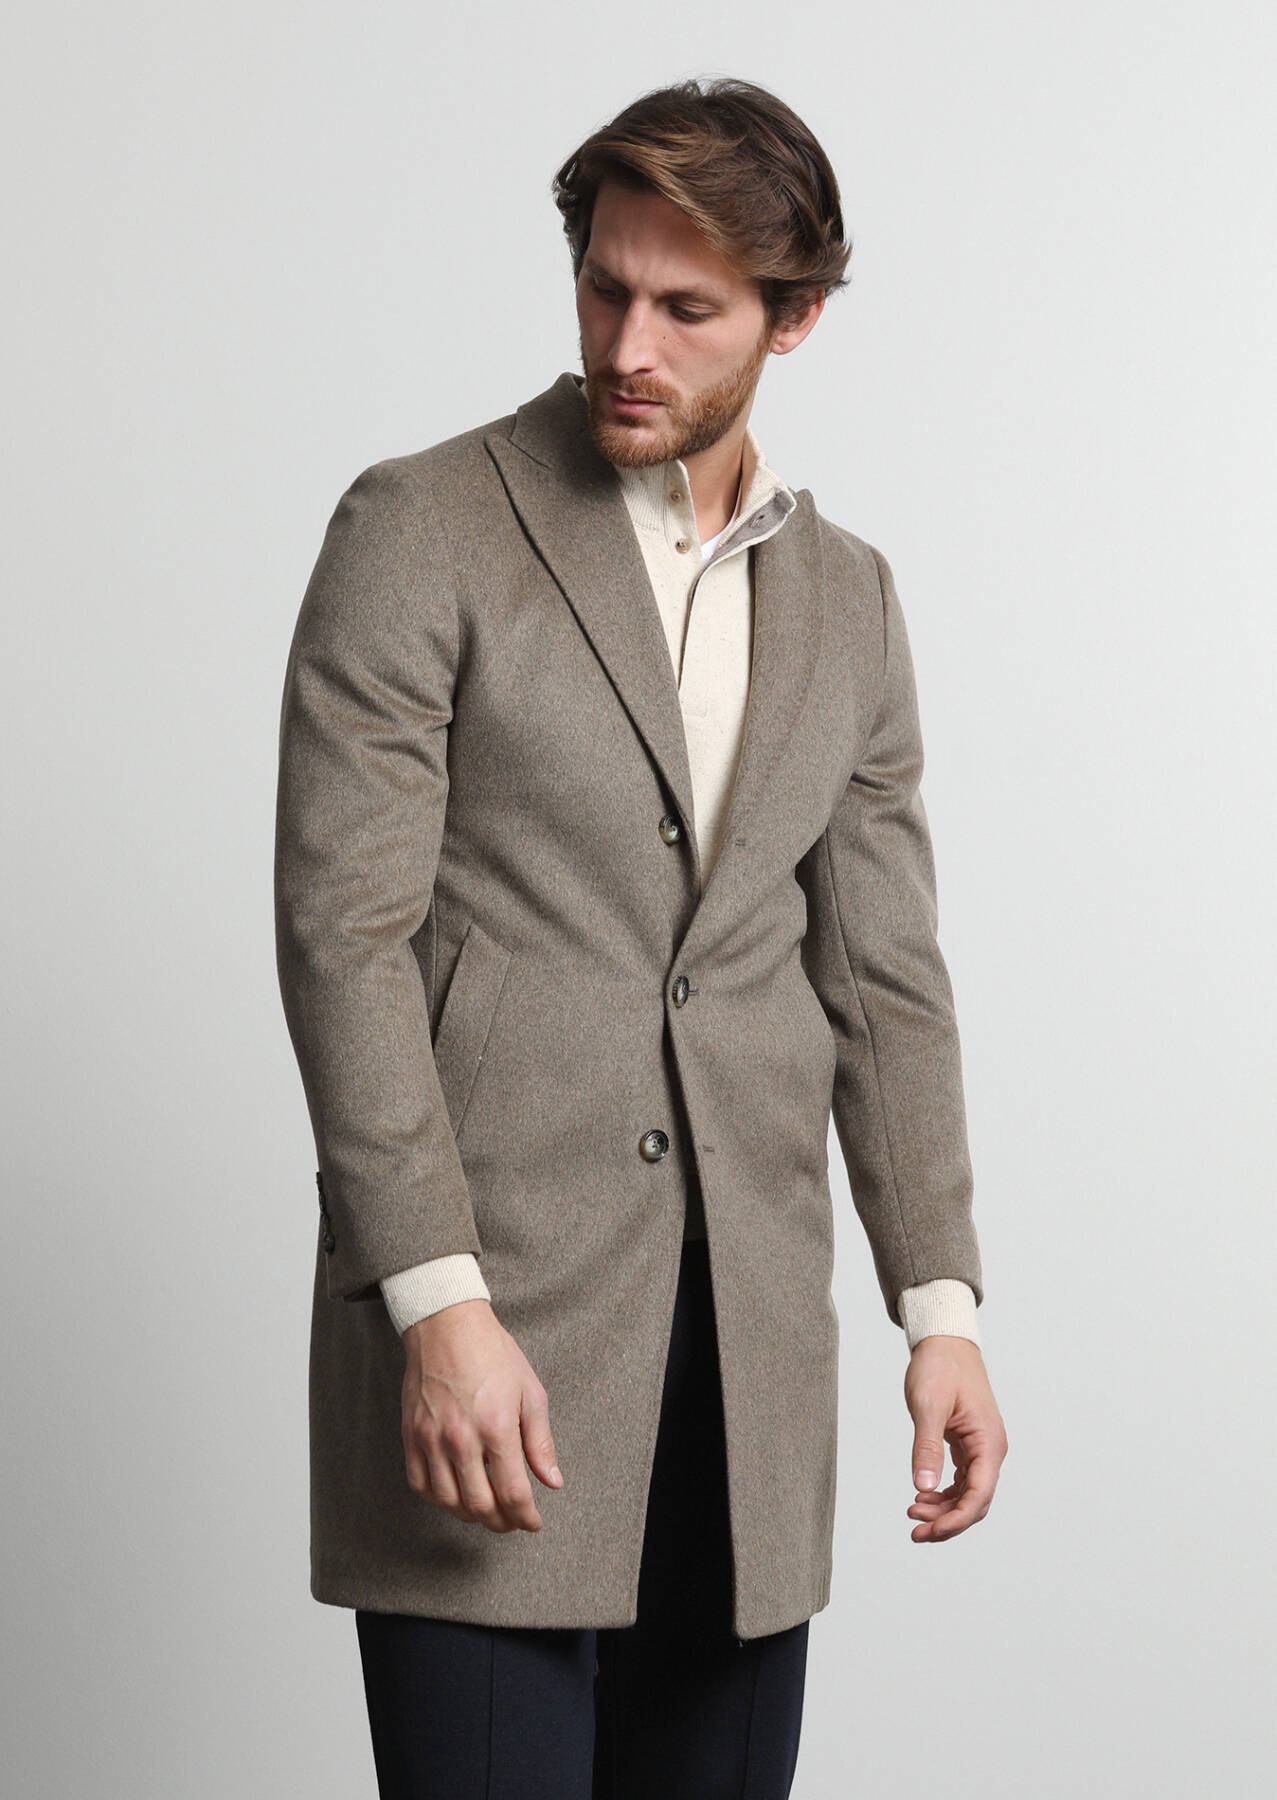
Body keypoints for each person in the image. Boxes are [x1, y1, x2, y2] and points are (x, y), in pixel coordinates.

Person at [275, 75, 1008, 1800]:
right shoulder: (422, 526)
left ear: (792, 319)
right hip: (493, 1337)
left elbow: (882, 978)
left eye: (687, 310)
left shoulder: (849, 599)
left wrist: (940, 1307)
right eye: (604, 288)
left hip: (748, 1364)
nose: (627, 345)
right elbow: (343, 935)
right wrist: (433, 1302)